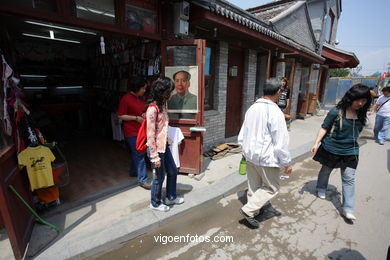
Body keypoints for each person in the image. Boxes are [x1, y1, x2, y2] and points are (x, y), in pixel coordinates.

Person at [310, 84, 372, 221]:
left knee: (349, 178)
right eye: (358, 100)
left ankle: (348, 208)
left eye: (364, 100)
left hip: (351, 151)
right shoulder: (336, 111)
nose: (360, 103)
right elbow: (324, 128)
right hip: (332, 148)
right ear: (351, 98)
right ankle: (321, 187)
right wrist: (316, 143)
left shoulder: (362, 113)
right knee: (326, 170)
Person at [238, 78, 292, 228]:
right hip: (267, 158)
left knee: (254, 185)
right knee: (271, 187)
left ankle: (254, 210)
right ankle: (249, 210)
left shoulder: (252, 108)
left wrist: (244, 151)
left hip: (250, 155)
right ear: (278, 92)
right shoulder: (275, 111)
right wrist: (287, 162)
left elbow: (243, 134)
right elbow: (280, 141)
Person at [147, 77, 184, 212]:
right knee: (159, 177)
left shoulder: (163, 106)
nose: (172, 93)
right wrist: (154, 156)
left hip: (164, 145)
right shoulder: (152, 109)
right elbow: (150, 135)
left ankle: (171, 197)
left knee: (173, 170)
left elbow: (161, 127)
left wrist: (167, 137)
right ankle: (155, 203)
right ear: (163, 92)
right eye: (170, 91)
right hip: (155, 149)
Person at [117, 76, 151, 190]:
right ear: (137, 88)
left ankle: (133, 172)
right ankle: (143, 180)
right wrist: (136, 118)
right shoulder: (126, 99)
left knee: (137, 153)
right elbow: (121, 115)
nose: (144, 90)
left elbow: (143, 110)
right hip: (131, 131)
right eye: (143, 88)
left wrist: (144, 114)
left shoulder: (141, 98)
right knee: (140, 154)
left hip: (141, 130)